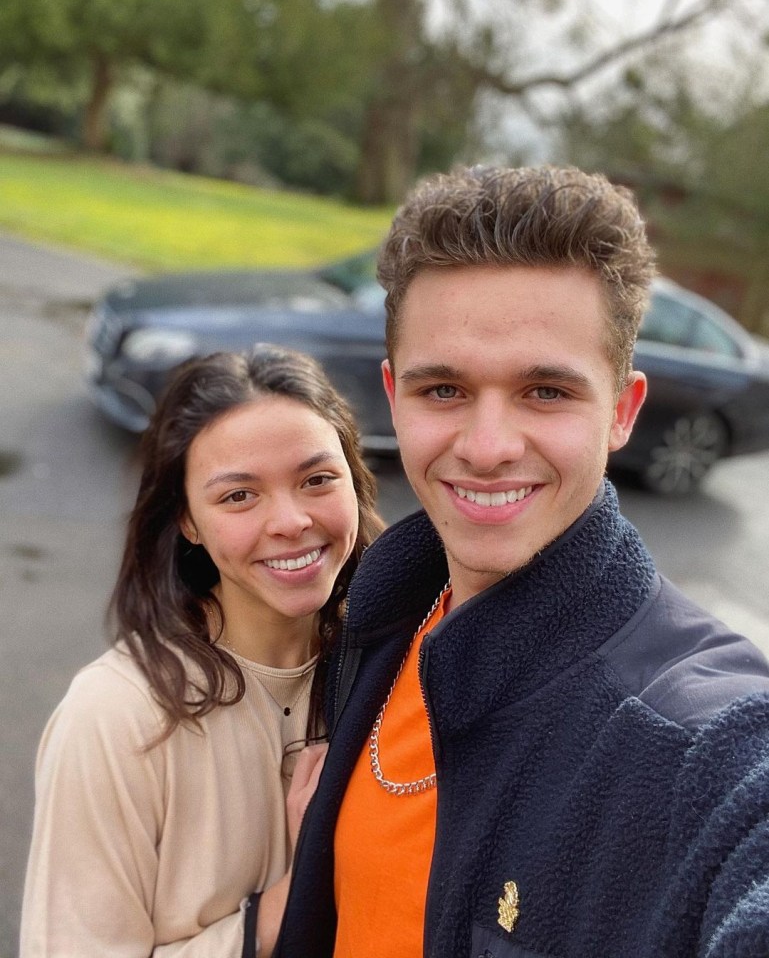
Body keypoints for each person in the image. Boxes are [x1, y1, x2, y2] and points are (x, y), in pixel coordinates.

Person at [274, 166, 769, 958]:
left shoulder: (684, 739)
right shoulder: (381, 616)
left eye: (544, 392)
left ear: (621, 411)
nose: (487, 447)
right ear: (392, 395)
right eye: (443, 390)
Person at [19, 343, 383, 958]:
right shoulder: (117, 714)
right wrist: (285, 907)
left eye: (317, 479)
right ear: (187, 519)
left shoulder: (400, 669)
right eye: (239, 495)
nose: (292, 520)